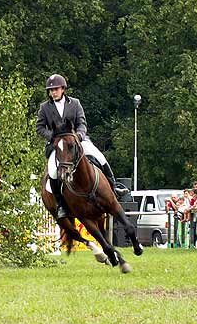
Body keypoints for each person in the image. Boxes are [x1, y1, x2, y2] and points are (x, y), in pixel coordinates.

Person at [36, 73, 128, 219]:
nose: (53, 92)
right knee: (53, 172)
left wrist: (79, 135)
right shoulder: (45, 108)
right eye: (51, 90)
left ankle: (114, 186)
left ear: (63, 89)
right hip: (58, 146)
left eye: (56, 89)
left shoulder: (75, 103)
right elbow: (40, 128)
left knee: (100, 156)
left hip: (77, 141)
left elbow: (82, 123)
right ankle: (61, 205)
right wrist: (52, 137)